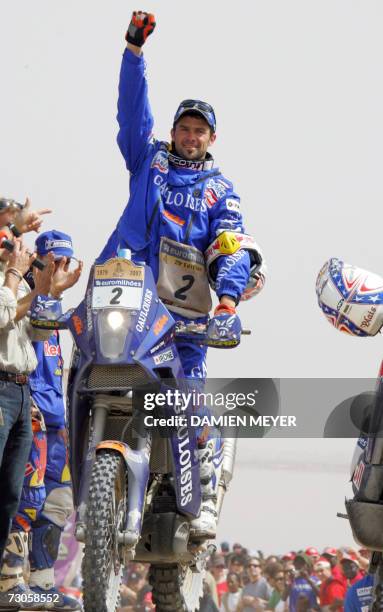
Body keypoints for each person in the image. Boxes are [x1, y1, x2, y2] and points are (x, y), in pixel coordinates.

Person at [98, 10, 266, 539]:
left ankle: (207, 477)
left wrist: (228, 304)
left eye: (199, 130)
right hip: (126, 307)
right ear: (172, 131)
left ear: (212, 136)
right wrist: (133, 54)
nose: (190, 136)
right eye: (183, 127)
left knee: (188, 402)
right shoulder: (148, 161)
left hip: (185, 322)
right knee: (87, 377)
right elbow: (131, 114)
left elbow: (232, 248)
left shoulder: (222, 191)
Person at [0, 230, 83, 610]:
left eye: (65, 261)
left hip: (54, 420)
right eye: (51, 261)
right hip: (26, 408)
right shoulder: (18, 297)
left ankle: (42, 583)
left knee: (58, 502)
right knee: (26, 497)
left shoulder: (48, 305)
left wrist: (51, 294)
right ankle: (10, 577)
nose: (57, 268)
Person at [0, 196, 53, 567]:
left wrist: (45, 289)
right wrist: (16, 276)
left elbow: (30, 330)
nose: (14, 247)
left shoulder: (12, 283)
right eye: (8, 239)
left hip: (19, 390)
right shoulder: (7, 281)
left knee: (9, 495)